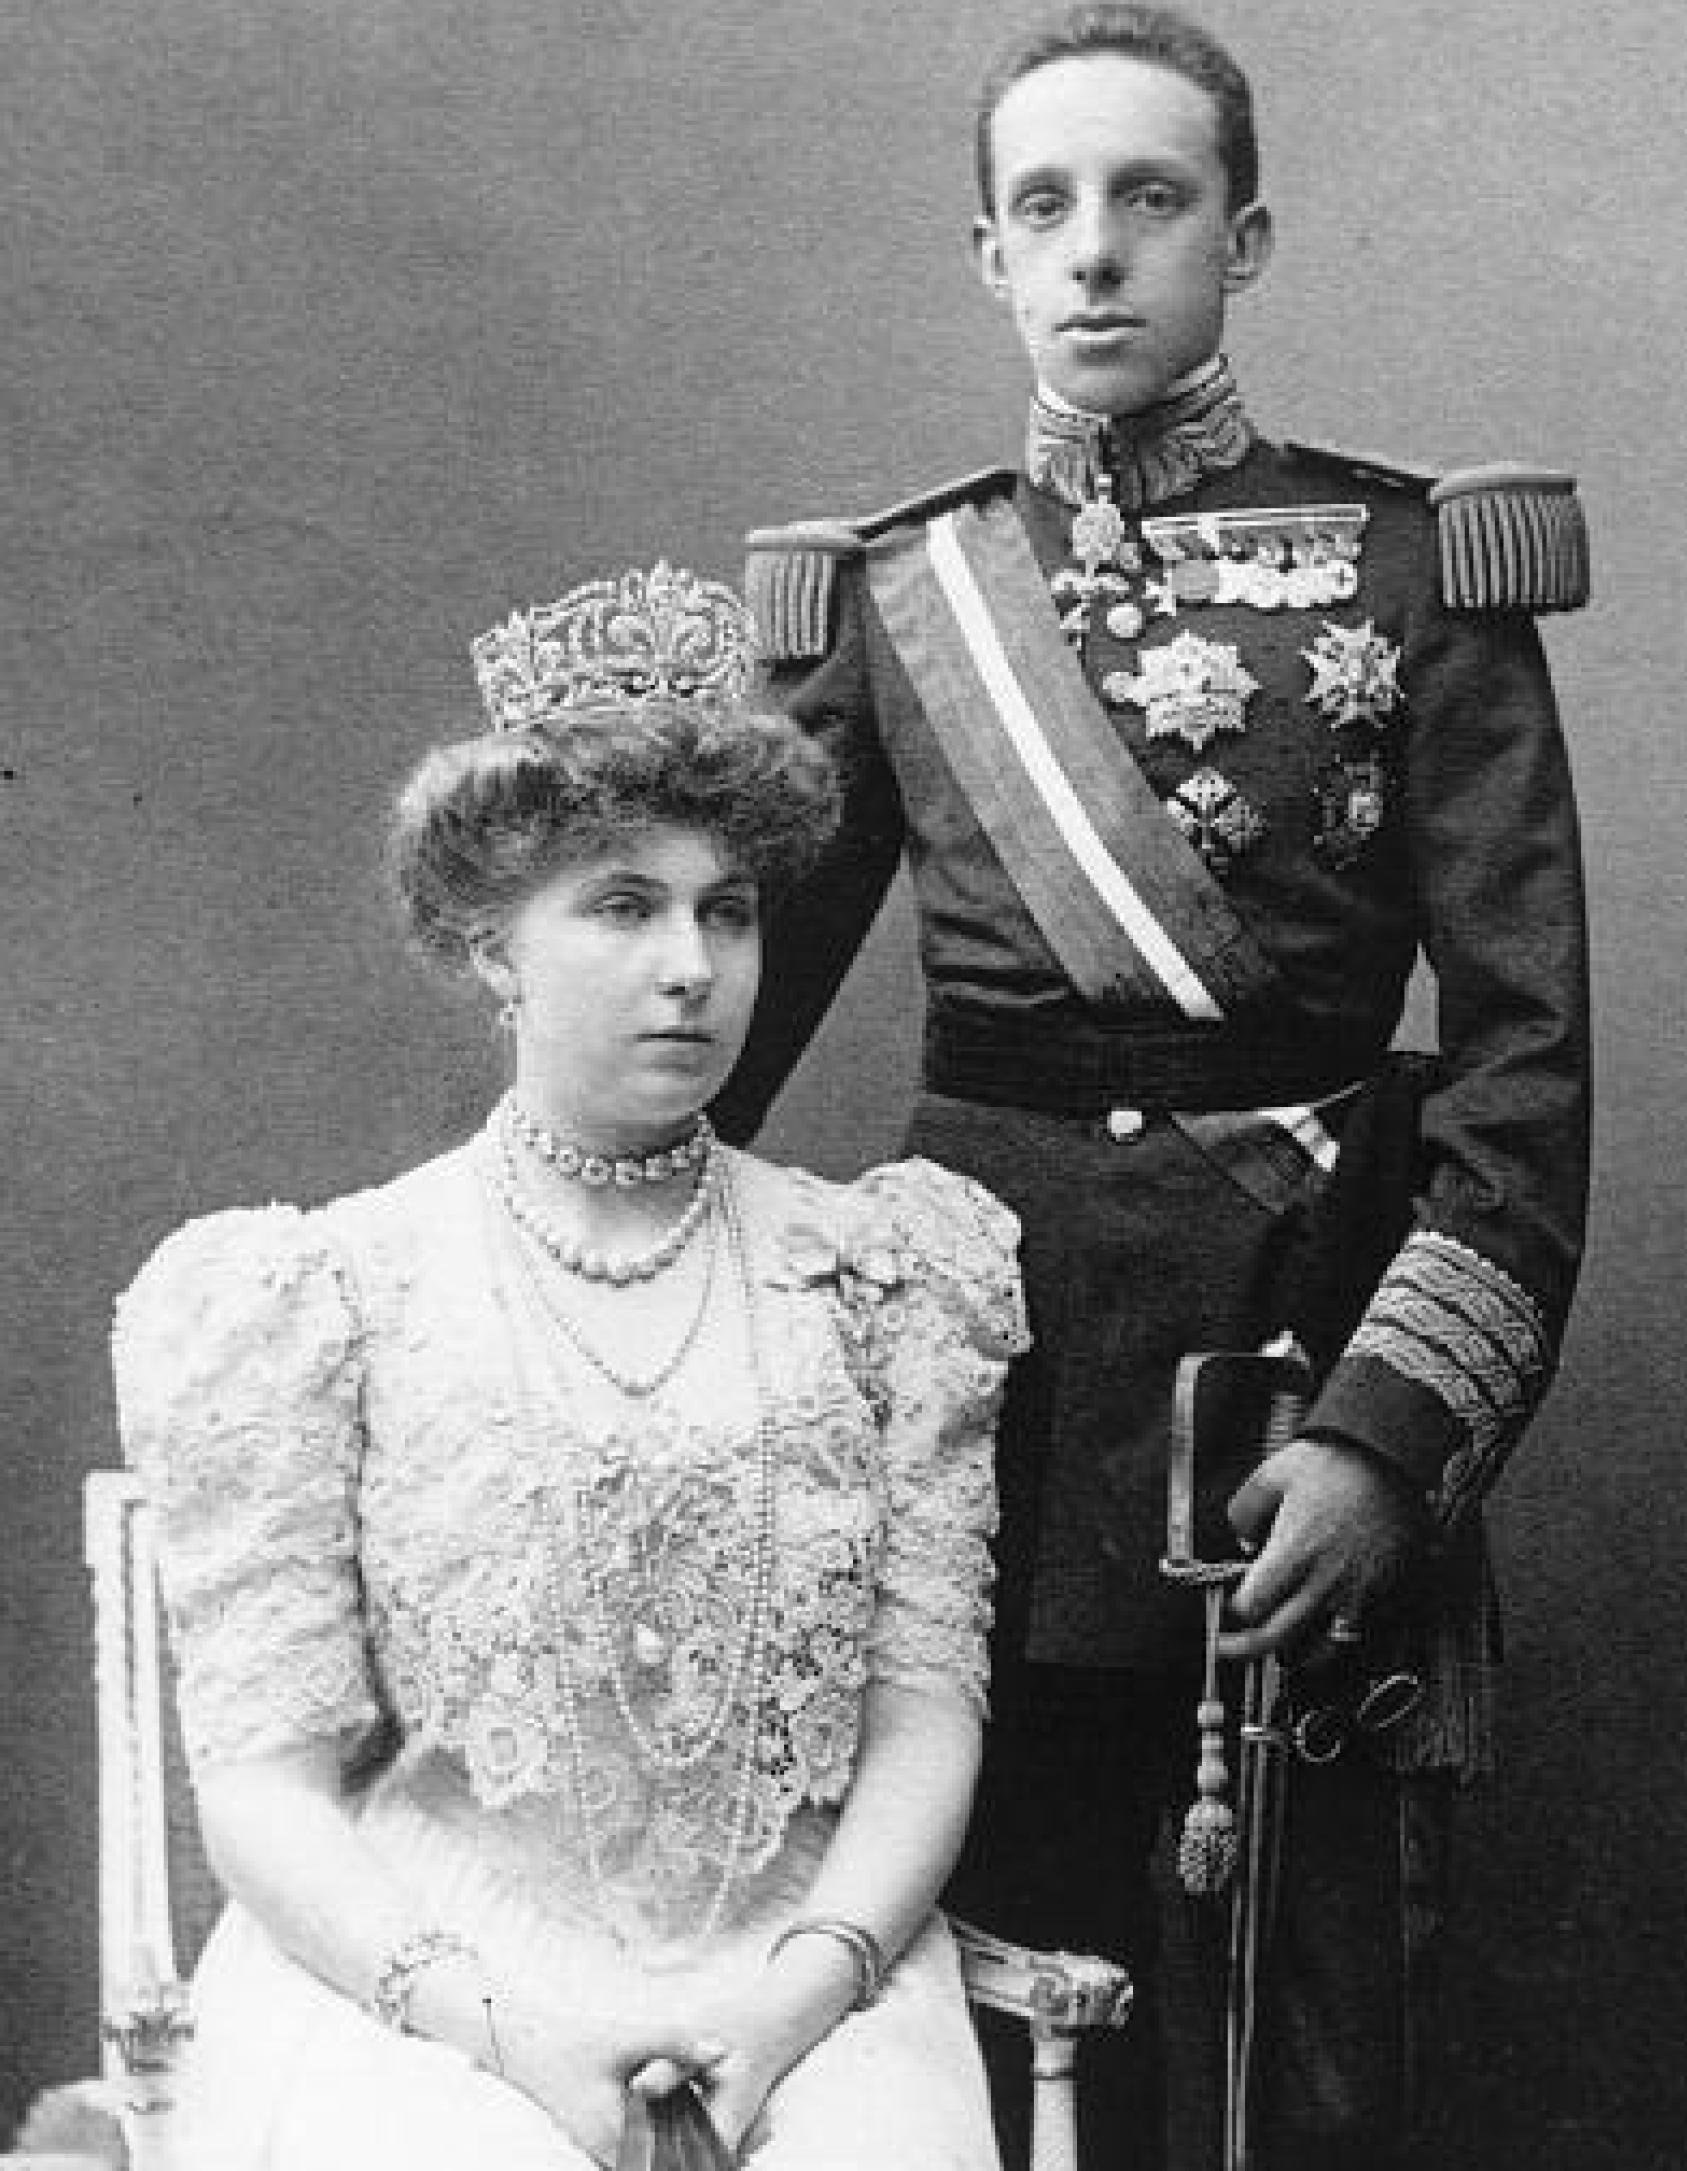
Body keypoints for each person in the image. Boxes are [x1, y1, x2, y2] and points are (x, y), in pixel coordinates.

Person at [720, 8, 1591, 2167]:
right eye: (1044, 207)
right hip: (970, 1412)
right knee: (978, 2014)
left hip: (1285, 1390)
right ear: (989, 262)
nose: (1094, 251)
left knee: (1290, 2049)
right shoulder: (903, 597)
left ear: (1243, 235)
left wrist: (1391, 1440)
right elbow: (706, 1053)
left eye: (1149, 198)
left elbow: (1523, 1069)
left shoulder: (1416, 574)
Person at [110, 562, 1029, 2171]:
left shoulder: (887, 1275)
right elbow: (262, 1789)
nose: (690, 963)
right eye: (621, 906)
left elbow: (922, 1722)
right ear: (489, 950)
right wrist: (503, 2030)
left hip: (811, 1971)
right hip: (431, 1977)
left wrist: (795, 1999)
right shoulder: (323, 1291)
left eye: (724, 911)